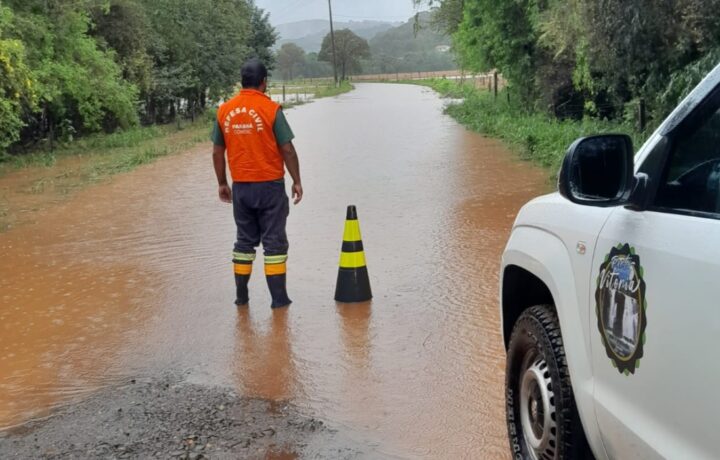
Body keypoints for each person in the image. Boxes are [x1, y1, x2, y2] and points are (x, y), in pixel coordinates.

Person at [211, 58, 303, 309]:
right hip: (270, 186)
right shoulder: (271, 109)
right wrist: (297, 180)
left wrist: (222, 182)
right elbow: (288, 149)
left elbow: (217, 152)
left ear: (243, 82)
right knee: (274, 243)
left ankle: (242, 298)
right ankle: (279, 300)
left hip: (241, 187)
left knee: (244, 242)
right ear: (264, 82)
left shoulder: (224, 110)